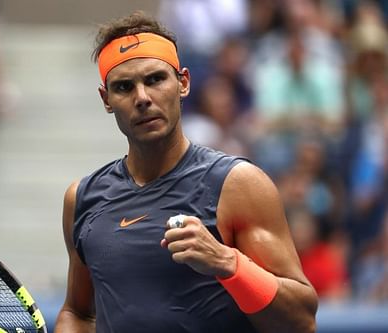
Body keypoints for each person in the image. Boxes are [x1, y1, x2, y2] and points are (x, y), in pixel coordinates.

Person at [54, 11, 318, 333]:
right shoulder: (82, 199)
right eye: (124, 87)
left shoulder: (239, 185)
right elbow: (79, 313)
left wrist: (227, 263)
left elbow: (301, 321)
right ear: (106, 100)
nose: (142, 98)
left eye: (155, 79)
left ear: (183, 83)